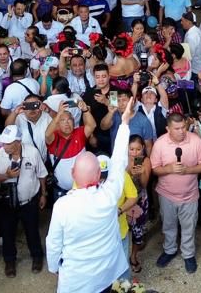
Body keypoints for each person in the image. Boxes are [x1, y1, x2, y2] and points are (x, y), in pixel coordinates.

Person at [46, 95, 135, 293]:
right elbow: (119, 161)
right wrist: (125, 121)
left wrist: (53, 267)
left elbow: (53, 243)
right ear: (98, 175)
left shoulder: (63, 206)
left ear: (72, 174)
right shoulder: (109, 195)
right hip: (105, 274)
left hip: (76, 280)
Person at [150, 112, 201, 273]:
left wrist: (188, 170)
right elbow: (154, 169)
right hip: (166, 194)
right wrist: (169, 168)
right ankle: (169, 250)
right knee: (168, 225)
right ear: (168, 128)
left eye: (183, 127)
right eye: (176, 128)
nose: (181, 131)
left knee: (188, 226)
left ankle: (188, 254)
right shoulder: (160, 144)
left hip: (190, 194)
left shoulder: (196, 141)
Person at [0, 124, 48, 277]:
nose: (4, 145)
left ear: (18, 142)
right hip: (6, 203)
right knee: (7, 233)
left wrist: (43, 194)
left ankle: (37, 257)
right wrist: (7, 176)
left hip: (29, 202)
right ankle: (9, 261)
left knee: (32, 231)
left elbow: (41, 174)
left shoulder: (32, 153)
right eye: (3, 142)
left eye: (8, 143)